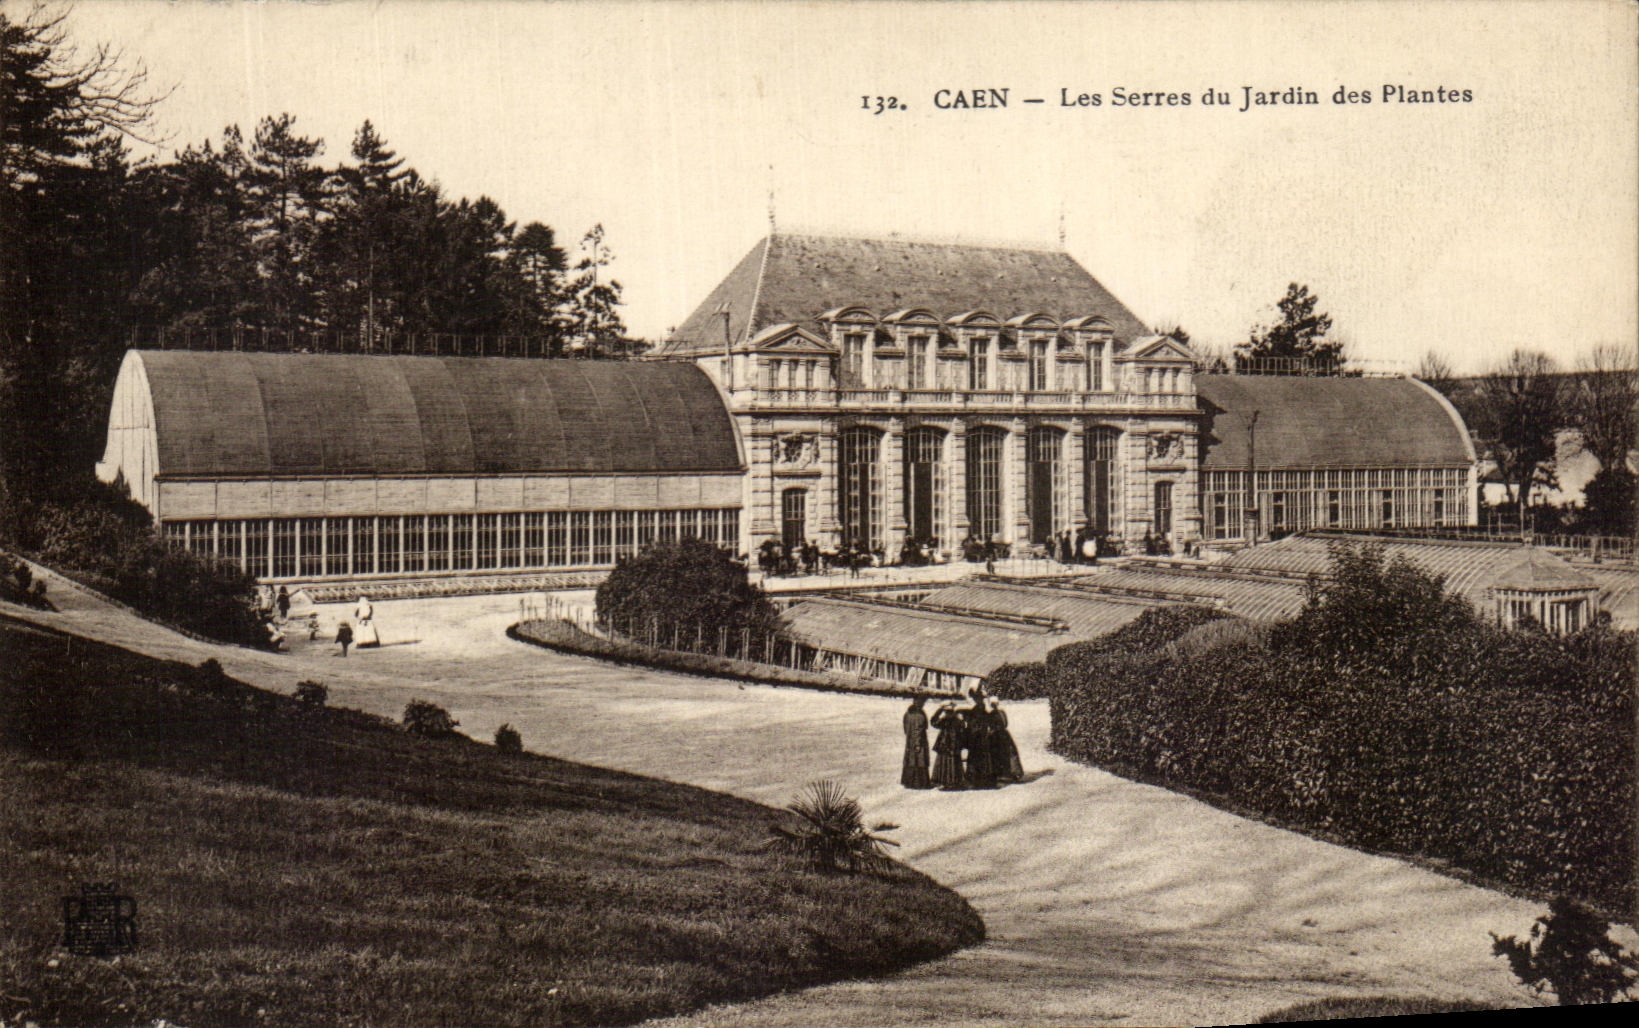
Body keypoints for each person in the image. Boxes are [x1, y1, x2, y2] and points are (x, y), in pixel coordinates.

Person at [962, 689, 998, 789]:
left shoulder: (979, 709)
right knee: (983, 758)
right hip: (980, 736)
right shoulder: (979, 708)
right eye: (976, 699)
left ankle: (977, 781)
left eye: (979, 699)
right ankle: (983, 781)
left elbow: (975, 722)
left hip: (978, 737)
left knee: (977, 758)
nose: (978, 700)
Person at [989, 697, 1025, 783]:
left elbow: (991, 725)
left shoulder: (992, 714)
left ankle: (1003, 774)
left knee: (999, 753)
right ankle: (1013, 773)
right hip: (1004, 734)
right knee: (1009, 752)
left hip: (996, 735)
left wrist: (993, 731)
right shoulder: (1002, 712)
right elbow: (1006, 723)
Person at [930, 702, 965, 789]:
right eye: (946, 711)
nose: (948, 713)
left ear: (953, 711)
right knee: (945, 763)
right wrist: (939, 710)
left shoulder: (956, 721)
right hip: (945, 745)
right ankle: (947, 782)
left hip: (951, 745)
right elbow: (933, 722)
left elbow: (962, 730)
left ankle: (953, 782)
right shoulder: (944, 720)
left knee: (950, 763)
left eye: (950, 711)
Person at [901, 697, 932, 789]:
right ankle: (920, 783)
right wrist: (918, 743)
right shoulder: (920, 715)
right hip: (919, 741)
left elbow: (905, 728)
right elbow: (919, 730)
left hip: (909, 741)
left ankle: (909, 782)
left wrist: (910, 737)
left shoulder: (907, 713)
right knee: (919, 761)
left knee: (910, 761)